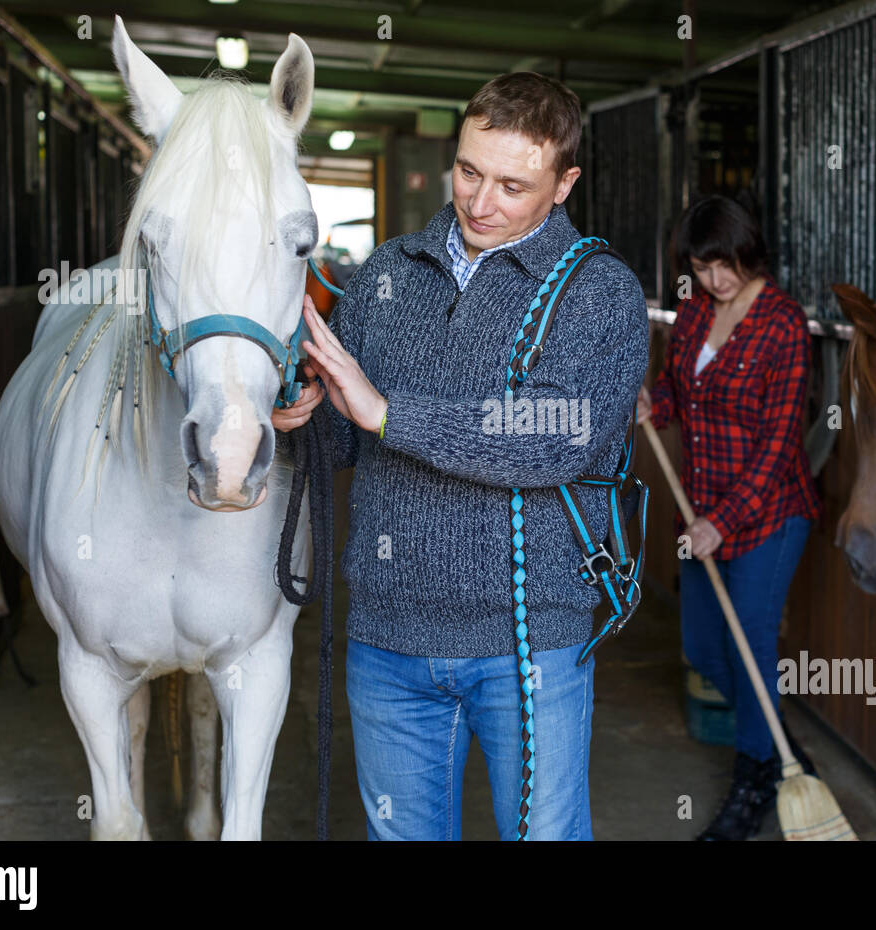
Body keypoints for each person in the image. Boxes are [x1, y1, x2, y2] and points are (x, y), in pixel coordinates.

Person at [273, 72, 649, 840]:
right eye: (470, 171)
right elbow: (348, 440)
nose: (481, 203)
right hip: (386, 639)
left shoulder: (600, 292)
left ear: (564, 183)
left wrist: (387, 411)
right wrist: (305, 417)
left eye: (514, 185)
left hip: (529, 644)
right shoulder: (385, 275)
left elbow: (552, 437)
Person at [636, 194, 822, 841]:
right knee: (705, 649)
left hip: (769, 515)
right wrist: (649, 406)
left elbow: (779, 444)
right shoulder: (691, 314)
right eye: (703, 266)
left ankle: (752, 783)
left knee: (750, 646)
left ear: (749, 250)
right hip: (702, 510)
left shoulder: (783, 323)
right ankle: (776, 742)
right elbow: (676, 392)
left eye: (724, 264)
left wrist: (726, 520)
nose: (715, 279)